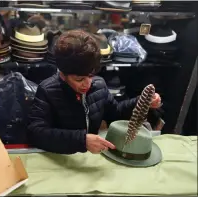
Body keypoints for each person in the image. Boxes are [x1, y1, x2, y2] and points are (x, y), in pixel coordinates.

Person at [27, 29, 162, 154]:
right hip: (59, 158)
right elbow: (36, 133)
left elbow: (115, 113)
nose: (87, 83)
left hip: (90, 157)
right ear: (62, 74)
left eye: (90, 75)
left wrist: (141, 102)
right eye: (79, 79)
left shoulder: (99, 85)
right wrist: (81, 141)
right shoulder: (47, 90)